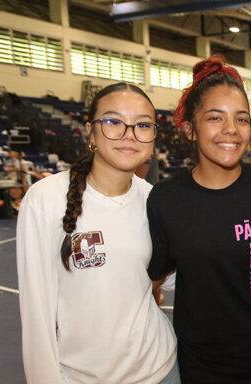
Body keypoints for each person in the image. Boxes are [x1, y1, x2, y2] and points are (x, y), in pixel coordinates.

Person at [146, 55, 251, 383]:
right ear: (190, 129)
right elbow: (151, 286)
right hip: (203, 369)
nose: (231, 129)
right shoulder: (166, 199)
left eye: (241, 119)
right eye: (216, 117)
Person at [16, 82, 178, 383]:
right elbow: (36, 313)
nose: (129, 134)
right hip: (80, 376)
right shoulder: (46, 199)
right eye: (114, 121)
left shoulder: (154, 199)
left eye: (143, 125)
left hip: (160, 368)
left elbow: (172, 277)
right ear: (90, 133)